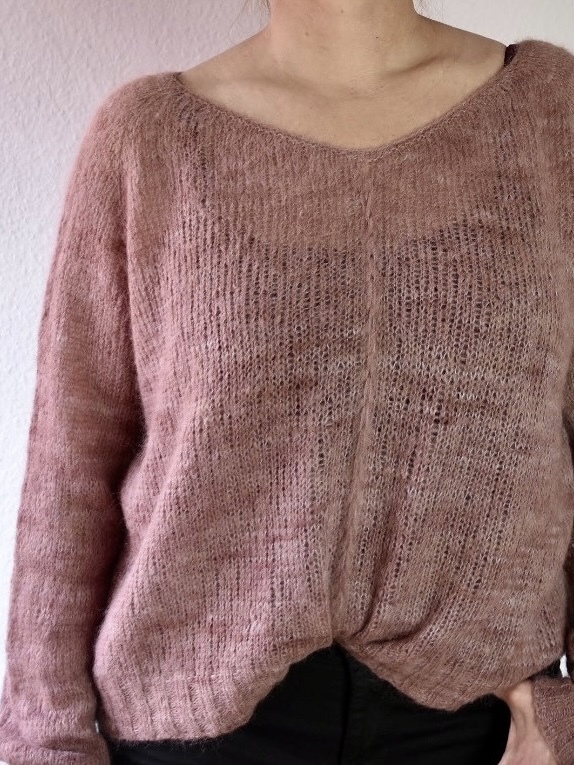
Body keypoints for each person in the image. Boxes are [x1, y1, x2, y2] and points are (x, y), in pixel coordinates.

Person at [1, 1, 574, 763]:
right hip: (196, 722)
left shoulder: (550, 111)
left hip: (479, 724)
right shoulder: (148, 138)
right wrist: (47, 742)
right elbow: (70, 466)